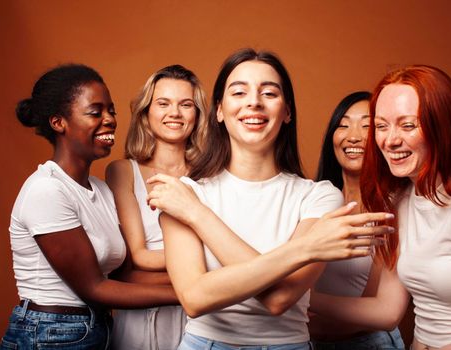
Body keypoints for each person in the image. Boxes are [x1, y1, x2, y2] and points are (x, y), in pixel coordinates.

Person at [146, 48, 394, 349]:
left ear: (287, 111)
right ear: (220, 111)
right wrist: (307, 248)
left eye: (269, 93)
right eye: (239, 92)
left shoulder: (320, 196)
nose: (254, 102)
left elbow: (280, 299)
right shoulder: (185, 194)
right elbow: (195, 298)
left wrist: (199, 216)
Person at [0, 64, 178, 350]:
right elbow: (94, 288)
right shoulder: (47, 189)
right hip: (48, 334)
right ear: (59, 123)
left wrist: (205, 279)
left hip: (95, 330)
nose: (109, 120)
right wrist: (190, 295)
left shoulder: (102, 191)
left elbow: (124, 275)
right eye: (95, 112)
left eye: (111, 111)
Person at [310, 65, 451, 350]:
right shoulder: (400, 201)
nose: (390, 140)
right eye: (381, 126)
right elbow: (387, 310)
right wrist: (298, 297)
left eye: (408, 125)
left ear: (442, 127)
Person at [105, 64, 207, 350]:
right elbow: (138, 257)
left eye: (186, 104)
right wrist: (206, 267)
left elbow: (148, 263)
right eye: (163, 103)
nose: (174, 113)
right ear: (146, 112)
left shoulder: (213, 175)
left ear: (197, 116)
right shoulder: (123, 171)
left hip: (203, 319)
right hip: (140, 319)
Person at [310, 91, 404, 349]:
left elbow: (379, 308)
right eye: (343, 125)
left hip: (368, 342)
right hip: (311, 340)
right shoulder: (315, 200)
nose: (353, 136)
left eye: (367, 125)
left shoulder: (394, 207)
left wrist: (300, 307)